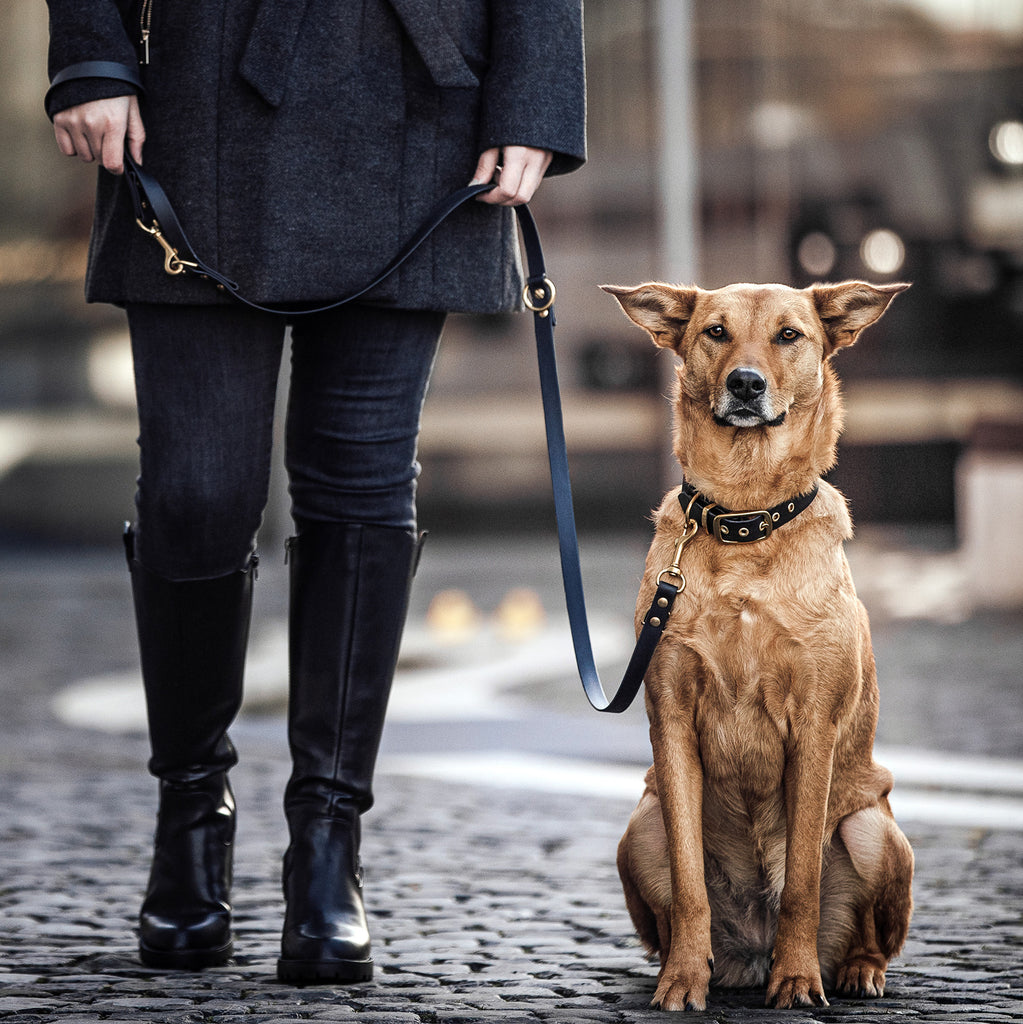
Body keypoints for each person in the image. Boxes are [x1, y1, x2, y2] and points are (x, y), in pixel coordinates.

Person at [43, 0, 585, 985]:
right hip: (202, 94)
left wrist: (537, 97)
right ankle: (191, 811)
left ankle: (328, 842)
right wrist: (91, 50)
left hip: (421, 95)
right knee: (194, 492)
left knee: (363, 483)